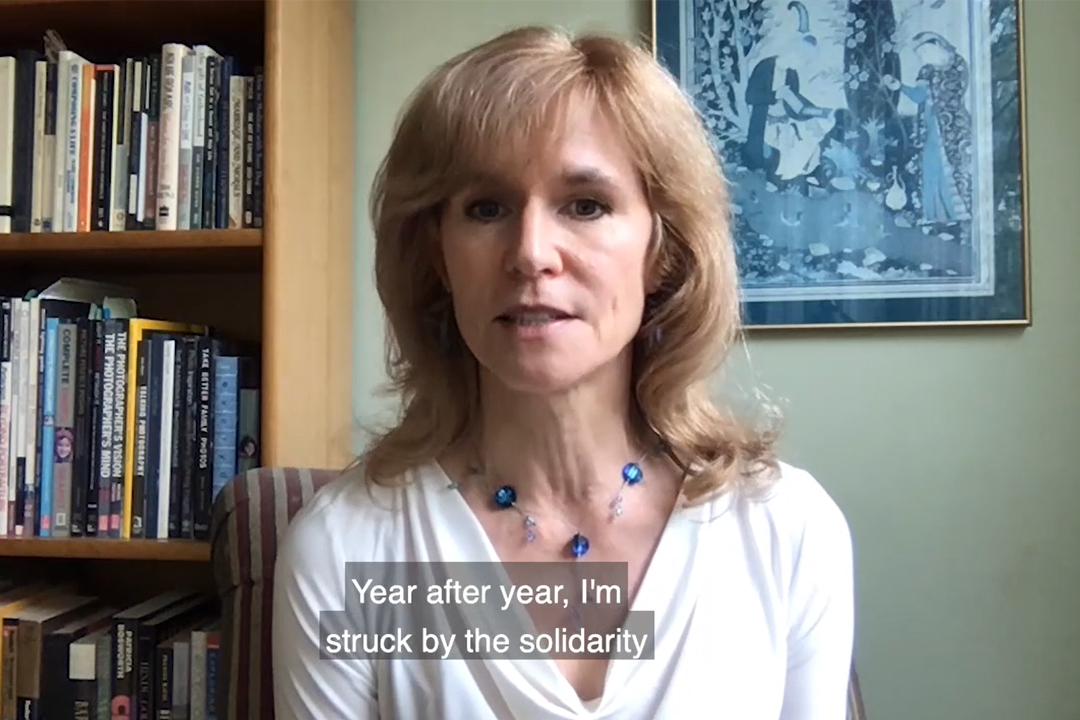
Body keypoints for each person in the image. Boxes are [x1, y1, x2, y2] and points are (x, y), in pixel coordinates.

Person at [272, 25, 855, 720]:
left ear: (661, 249)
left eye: (585, 205)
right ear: (437, 255)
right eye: (486, 208)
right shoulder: (347, 552)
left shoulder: (784, 531)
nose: (530, 254)